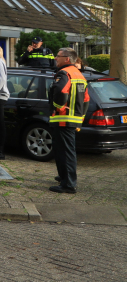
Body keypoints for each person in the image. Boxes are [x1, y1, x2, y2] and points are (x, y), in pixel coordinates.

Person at [48, 48, 90, 194]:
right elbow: (86, 100)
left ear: (67, 59)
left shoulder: (64, 73)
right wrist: (80, 119)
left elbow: (60, 91)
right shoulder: (79, 75)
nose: (55, 58)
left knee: (65, 152)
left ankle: (68, 185)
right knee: (62, 150)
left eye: (58, 56)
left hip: (63, 119)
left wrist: (57, 107)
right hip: (72, 120)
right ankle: (64, 178)